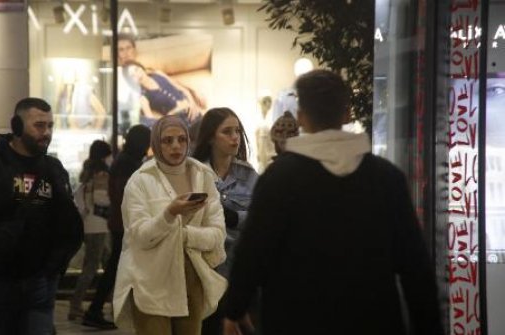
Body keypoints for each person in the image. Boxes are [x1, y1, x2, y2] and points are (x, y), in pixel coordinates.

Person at [222, 70, 444, 335]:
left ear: (301, 116)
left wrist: (235, 308)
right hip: (374, 321)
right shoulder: (386, 177)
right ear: (347, 113)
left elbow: (253, 251)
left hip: (294, 319)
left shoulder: (280, 177)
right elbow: (415, 265)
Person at [0, 97, 84, 335]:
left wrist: (54, 268)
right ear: (17, 126)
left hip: (39, 286)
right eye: (39, 125)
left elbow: (68, 223)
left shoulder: (53, 169)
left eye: (50, 126)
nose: (46, 133)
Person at [112, 115, 227, 335]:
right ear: (156, 143)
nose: (176, 146)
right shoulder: (141, 180)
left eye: (181, 139)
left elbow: (217, 234)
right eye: (167, 140)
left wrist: (183, 235)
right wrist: (169, 213)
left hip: (192, 277)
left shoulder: (202, 176)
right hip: (150, 279)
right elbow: (139, 236)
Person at [190, 107, 258, 335]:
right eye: (226, 131)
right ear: (211, 137)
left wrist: (235, 217)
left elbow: (260, 220)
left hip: (240, 270)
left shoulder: (248, 175)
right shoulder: (195, 173)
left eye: (237, 130)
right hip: (206, 270)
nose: (234, 137)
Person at [81, 125, 151, 329]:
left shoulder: (125, 160)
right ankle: (96, 309)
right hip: (126, 224)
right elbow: (126, 195)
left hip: (122, 222)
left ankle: (98, 309)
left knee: (117, 268)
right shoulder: (128, 163)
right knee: (116, 268)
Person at [68, 140, 113, 325]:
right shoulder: (102, 172)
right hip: (98, 225)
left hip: (89, 224)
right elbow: (103, 199)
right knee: (92, 267)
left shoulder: (87, 170)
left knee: (106, 261)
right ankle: (76, 305)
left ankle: (107, 302)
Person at [122, 60, 202, 128]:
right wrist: (173, 113)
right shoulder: (143, 97)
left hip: (192, 109)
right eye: (132, 76)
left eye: (136, 69)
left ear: (141, 67)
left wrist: (192, 104)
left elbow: (181, 88)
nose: (137, 75)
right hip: (178, 121)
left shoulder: (158, 74)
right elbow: (153, 123)